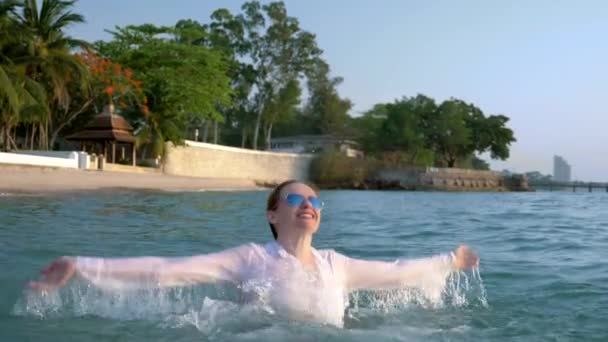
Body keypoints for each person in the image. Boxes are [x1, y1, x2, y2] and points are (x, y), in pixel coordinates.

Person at [29, 180, 479, 327]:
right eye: (295, 200)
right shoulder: (251, 259)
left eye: (315, 202)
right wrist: (81, 266)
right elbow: (168, 271)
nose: (308, 205)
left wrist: (448, 261)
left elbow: (397, 272)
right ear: (272, 214)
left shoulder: (336, 266)